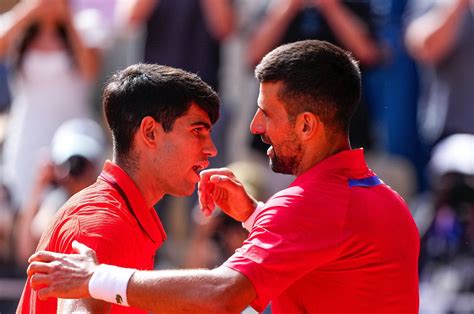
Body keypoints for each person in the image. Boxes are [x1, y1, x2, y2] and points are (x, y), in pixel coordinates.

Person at [27, 40, 420, 313]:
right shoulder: (386, 200)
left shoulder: (310, 205)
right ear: (149, 133)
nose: (253, 126)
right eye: (198, 129)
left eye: (266, 113)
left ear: (306, 125)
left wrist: (96, 277)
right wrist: (256, 216)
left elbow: (223, 294)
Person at [17, 63, 219, 313]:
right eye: (197, 130)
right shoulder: (101, 225)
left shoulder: (119, 215)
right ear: (150, 133)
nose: (211, 149)